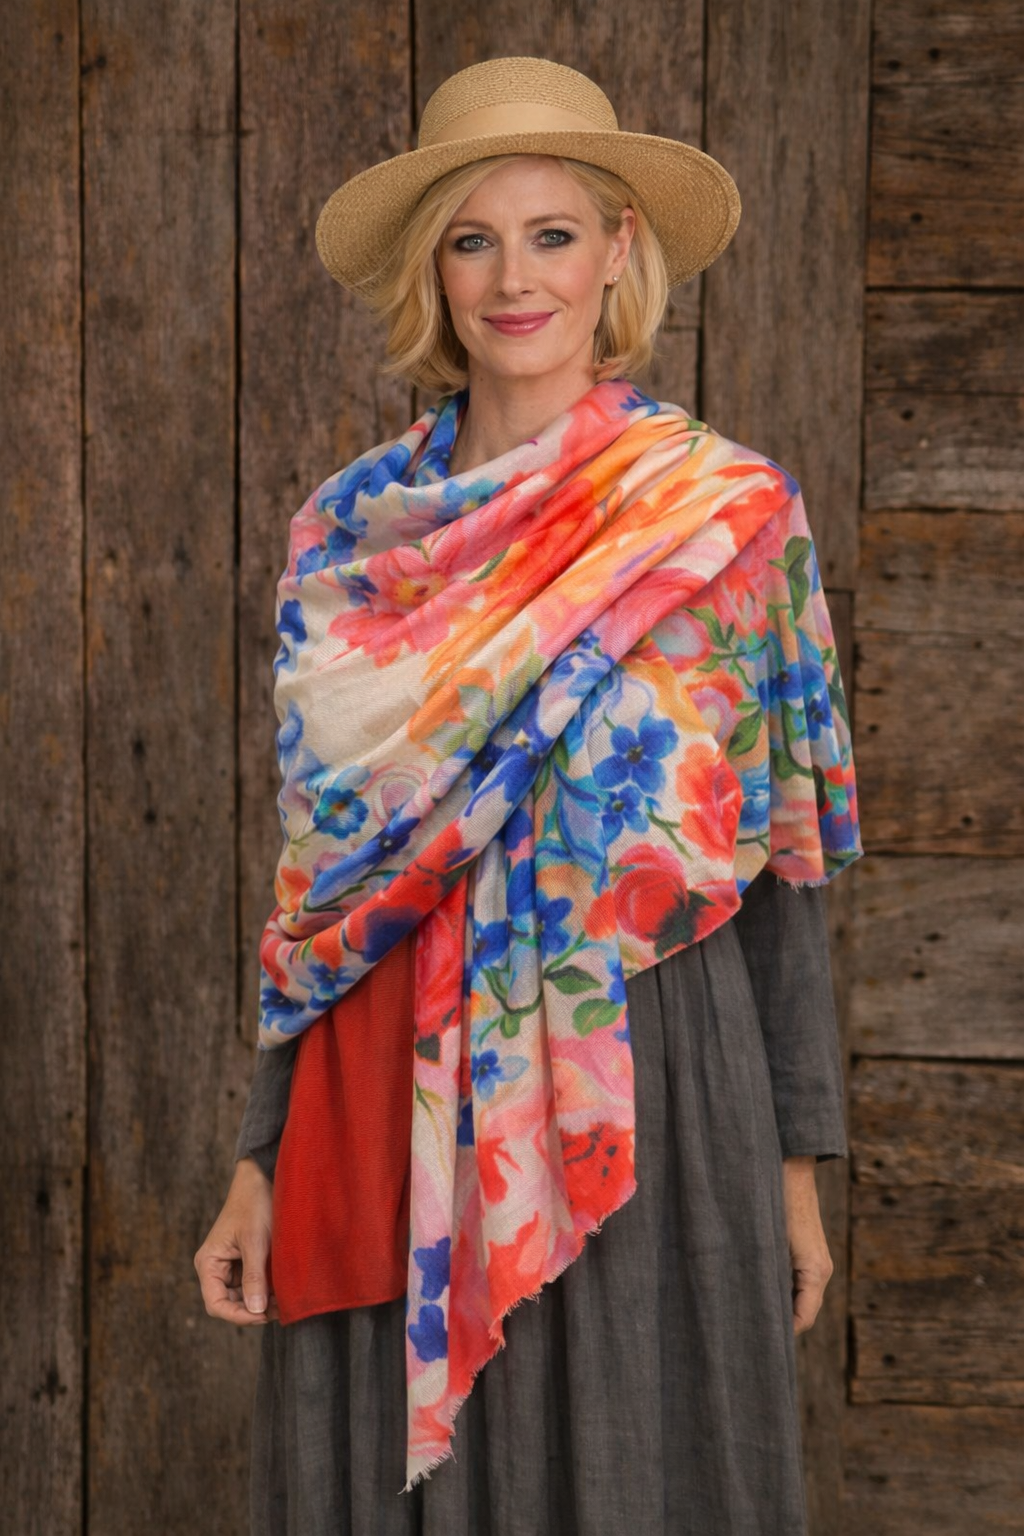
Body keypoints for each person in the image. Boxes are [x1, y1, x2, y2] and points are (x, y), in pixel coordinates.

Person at [195, 56, 862, 1536]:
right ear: (432, 271)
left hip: (653, 1072)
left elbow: (782, 871)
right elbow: (320, 899)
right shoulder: (351, 543)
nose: (515, 279)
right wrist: (260, 1156)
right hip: (389, 1075)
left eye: (552, 234)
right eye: (474, 239)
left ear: (619, 247)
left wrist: (794, 1168)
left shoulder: (727, 518)